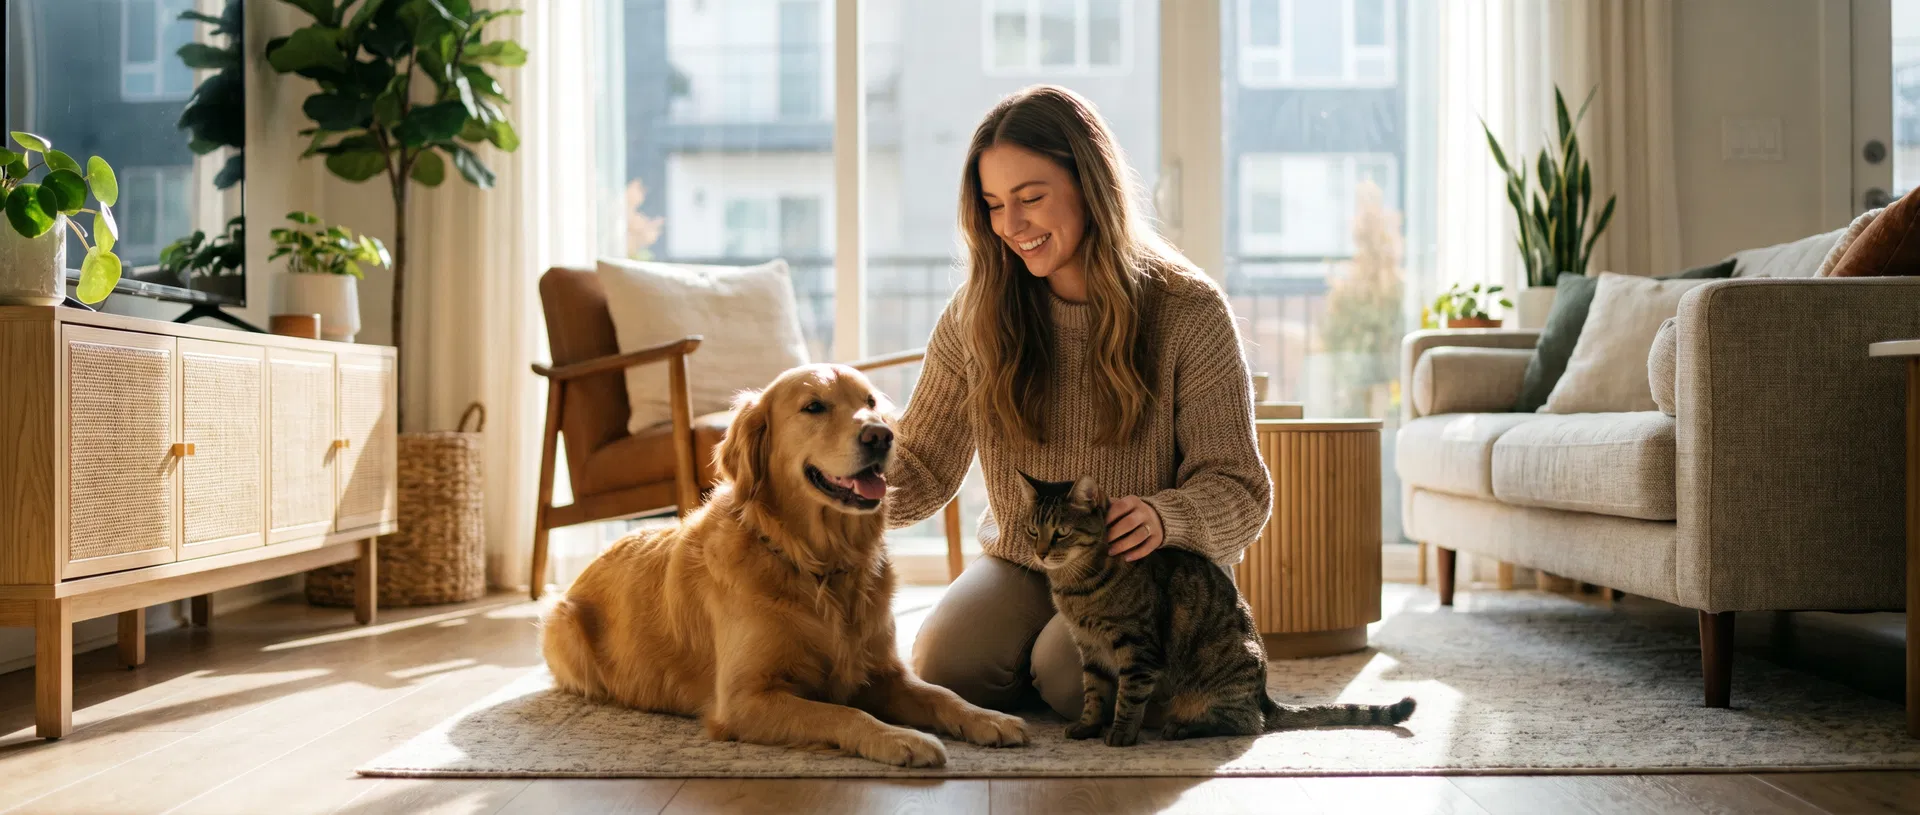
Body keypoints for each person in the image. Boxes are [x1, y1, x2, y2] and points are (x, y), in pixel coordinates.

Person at [884, 84, 1272, 718]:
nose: (1011, 225)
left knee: (1069, 680)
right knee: (947, 669)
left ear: (1089, 183)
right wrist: (845, 479)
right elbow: (924, 467)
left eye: (1031, 198)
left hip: (1146, 573)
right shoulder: (976, 314)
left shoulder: (1189, 310)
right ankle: (1043, 662)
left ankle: (1074, 670)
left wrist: (1162, 515)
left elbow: (1239, 486)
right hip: (1029, 557)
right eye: (993, 205)